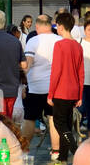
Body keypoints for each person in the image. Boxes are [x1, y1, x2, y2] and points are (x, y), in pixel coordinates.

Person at [47, 12, 84, 165]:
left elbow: (56, 71)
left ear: (60, 27)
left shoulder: (59, 45)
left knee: (59, 124)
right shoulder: (78, 45)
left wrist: (50, 93)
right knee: (67, 125)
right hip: (74, 89)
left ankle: (78, 154)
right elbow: (80, 72)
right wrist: (80, 94)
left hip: (61, 90)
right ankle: (62, 159)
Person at [20, 15, 60, 154]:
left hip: (35, 87)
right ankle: (56, 152)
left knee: (29, 118)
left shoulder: (33, 41)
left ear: (37, 26)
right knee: (53, 119)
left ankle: (24, 149)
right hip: (55, 88)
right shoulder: (60, 40)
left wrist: (22, 81)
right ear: (50, 25)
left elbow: (28, 64)